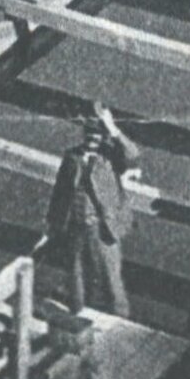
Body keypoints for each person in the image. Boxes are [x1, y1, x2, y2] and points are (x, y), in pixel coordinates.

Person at [42, 99, 138, 318]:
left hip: (102, 228)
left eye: (98, 134)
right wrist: (52, 223)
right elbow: (60, 192)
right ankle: (78, 314)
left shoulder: (111, 157)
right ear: (84, 134)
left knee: (110, 276)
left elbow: (132, 154)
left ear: (103, 136)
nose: (93, 138)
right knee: (75, 274)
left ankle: (120, 319)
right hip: (75, 225)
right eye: (90, 133)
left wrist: (112, 127)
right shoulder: (72, 156)